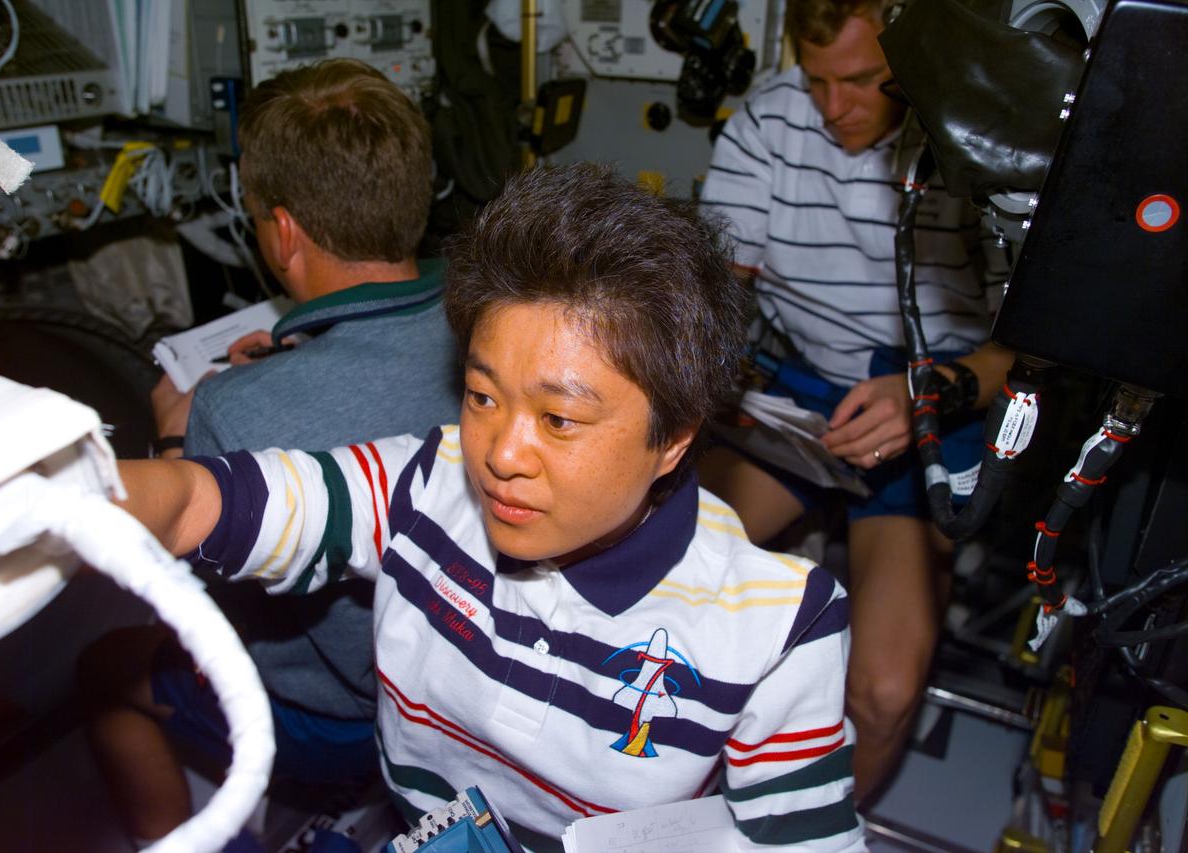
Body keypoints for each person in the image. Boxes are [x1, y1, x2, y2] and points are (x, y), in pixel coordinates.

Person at [115, 164, 866, 852]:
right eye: (482, 396)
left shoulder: (779, 632)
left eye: (559, 420)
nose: (499, 454)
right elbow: (199, 502)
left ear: (671, 438)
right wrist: (61, 481)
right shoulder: (422, 480)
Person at [79, 58, 460, 845]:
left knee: (100, 673)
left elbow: (186, 585)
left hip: (344, 720)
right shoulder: (489, 319)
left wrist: (184, 438)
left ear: (283, 231)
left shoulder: (232, 405)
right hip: (460, 694)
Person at [696, 0, 1014, 801]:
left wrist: (928, 396)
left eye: (867, 81)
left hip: (933, 400)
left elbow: (1030, 358)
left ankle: (832, 825)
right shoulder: (772, 122)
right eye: (818, 81)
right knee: (658, 567)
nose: (836, 108)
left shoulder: (980, 145)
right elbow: (717, 295)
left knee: (881, 693)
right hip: (805, 394)